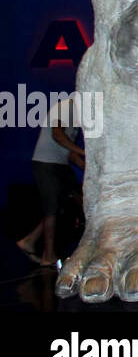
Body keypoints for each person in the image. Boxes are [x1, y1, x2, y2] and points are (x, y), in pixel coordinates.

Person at [17, 94, 83, 267]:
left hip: (59, 165)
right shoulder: (66, 108)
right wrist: (83, 152)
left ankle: (29, 241)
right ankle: (49, 256)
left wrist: (90, 167)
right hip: (45, 164)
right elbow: (57, 135)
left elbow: (69, 152)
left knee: (64, 204)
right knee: (51, 209)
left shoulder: (76, 117)